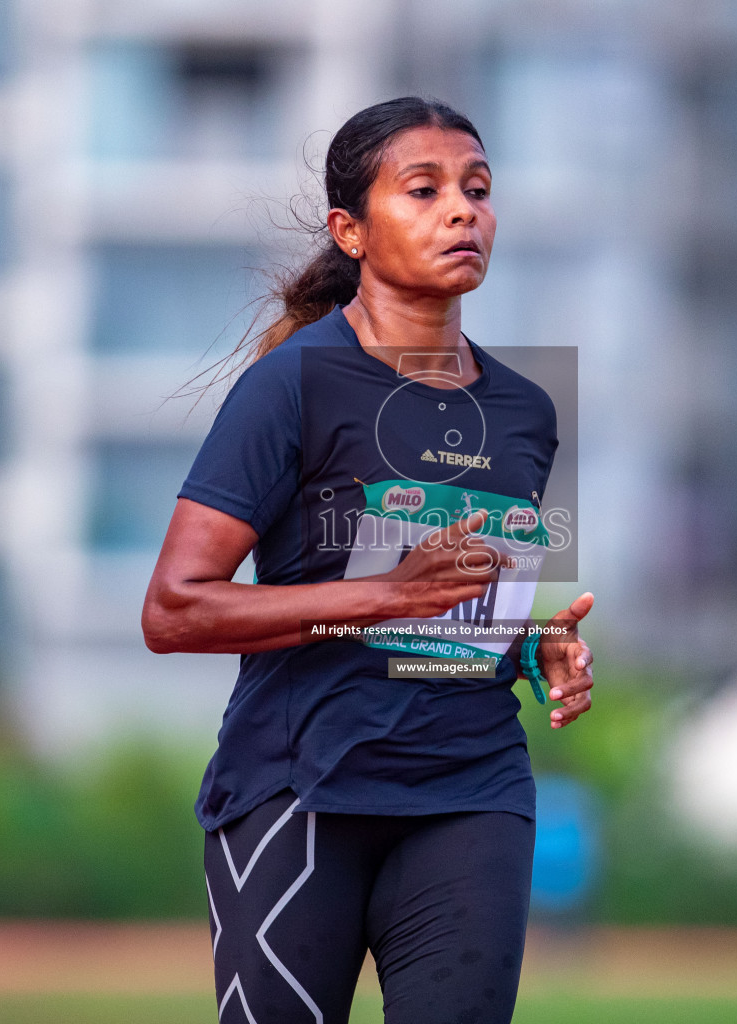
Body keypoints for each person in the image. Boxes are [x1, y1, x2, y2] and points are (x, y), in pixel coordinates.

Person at [142, 96, 595, 1024]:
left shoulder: (527, 410)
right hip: (301, 786)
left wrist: (534, 643)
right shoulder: (292, 385)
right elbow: (174, 610)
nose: (462, 210)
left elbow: (467, 610)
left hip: (473, 787)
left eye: (477, 189)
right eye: (423, 190)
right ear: (350, 230)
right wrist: (382, 594)